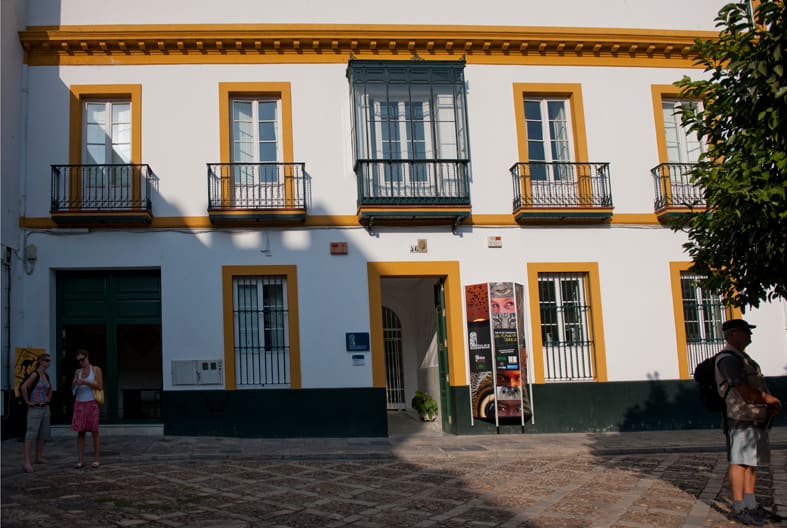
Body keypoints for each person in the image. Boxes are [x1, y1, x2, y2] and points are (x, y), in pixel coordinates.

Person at [716, 319, 782, 526]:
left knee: (750, 462)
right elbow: (742, 389)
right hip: (740, 416)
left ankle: (750, 503)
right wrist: (768, 399)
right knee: (739, 461)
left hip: (754, 416)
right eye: (745, 332)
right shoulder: (728, 359)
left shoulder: (743, 358)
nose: (749, 336)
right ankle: (738, 506)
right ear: (732, 334)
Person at [21, 352, 53, 473]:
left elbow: (50, 388)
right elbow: (24, 387)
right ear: (40, 361)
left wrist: (49, 397)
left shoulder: (46, 375)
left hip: (45, 407)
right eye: (46, 360)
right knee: (31, 434)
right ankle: (26, 462)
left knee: (42, 434)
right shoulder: (35, 374)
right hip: (35, 407)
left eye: (49, 361)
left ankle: (38, 457)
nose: (48, 363)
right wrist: (28, 402)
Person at [71, 349, 103, 469]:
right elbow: (73, 389)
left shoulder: (96, 369)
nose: (80, 362)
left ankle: (96, 459)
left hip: (91, 403)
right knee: (80, 433)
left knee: (95, 432)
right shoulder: (77, 371)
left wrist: (85, 382)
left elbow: (100, 386)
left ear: (87, 357)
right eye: (78, 361)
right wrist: (74, 383)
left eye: (82, 360)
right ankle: (80, 460)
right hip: (79, 403)